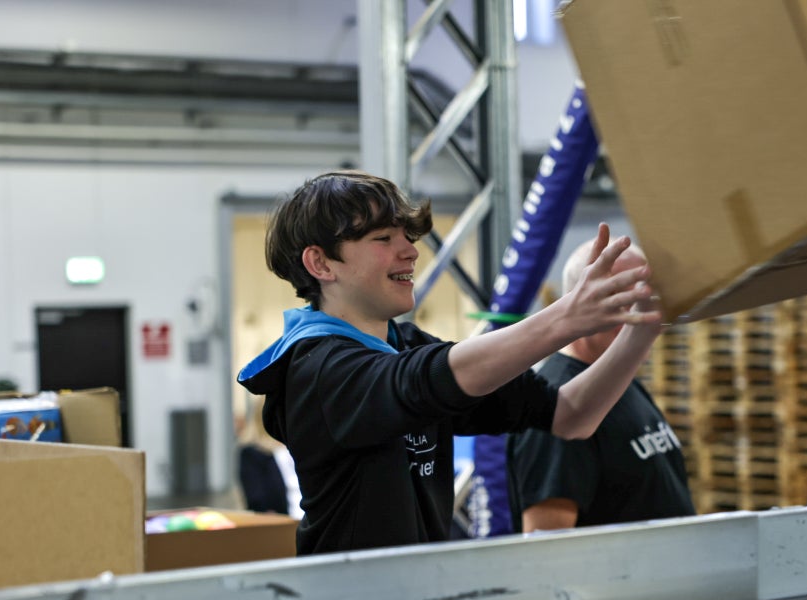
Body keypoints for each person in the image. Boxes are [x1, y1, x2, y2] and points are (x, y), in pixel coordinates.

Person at [237, 170, 662, 555]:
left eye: (407, 236)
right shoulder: (316, 368)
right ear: (320, 263)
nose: (410, 251)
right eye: (383, 239)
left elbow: (571, 415)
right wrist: (566, 317)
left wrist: (643, 327)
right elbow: (423, 380)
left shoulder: (403, 344)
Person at [506, 238, 696, 531]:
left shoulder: (620, 380)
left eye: (646, 299)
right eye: (623, 301)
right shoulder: (555, 404)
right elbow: (547, 547)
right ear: (580, 304)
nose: (641, 315)